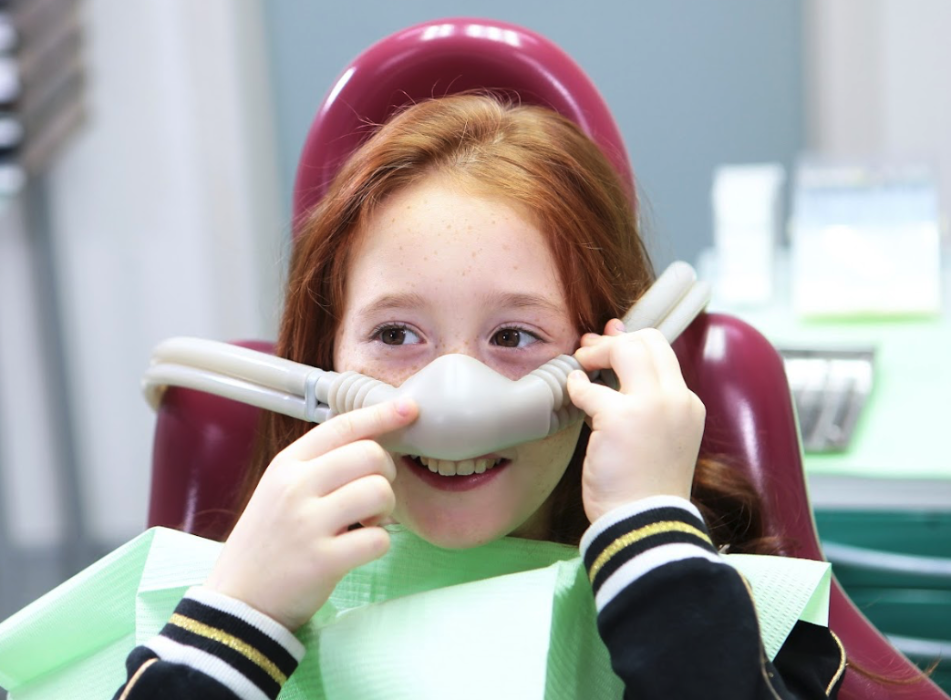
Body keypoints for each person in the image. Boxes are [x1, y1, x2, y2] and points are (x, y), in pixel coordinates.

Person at [112, 94, 845, 699]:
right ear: (325, 358)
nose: (451, 401)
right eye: (397, 336)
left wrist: (650, 538)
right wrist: (242, 614)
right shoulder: (232, 597)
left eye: (514, 336)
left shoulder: (711, 604)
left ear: (606, 360)